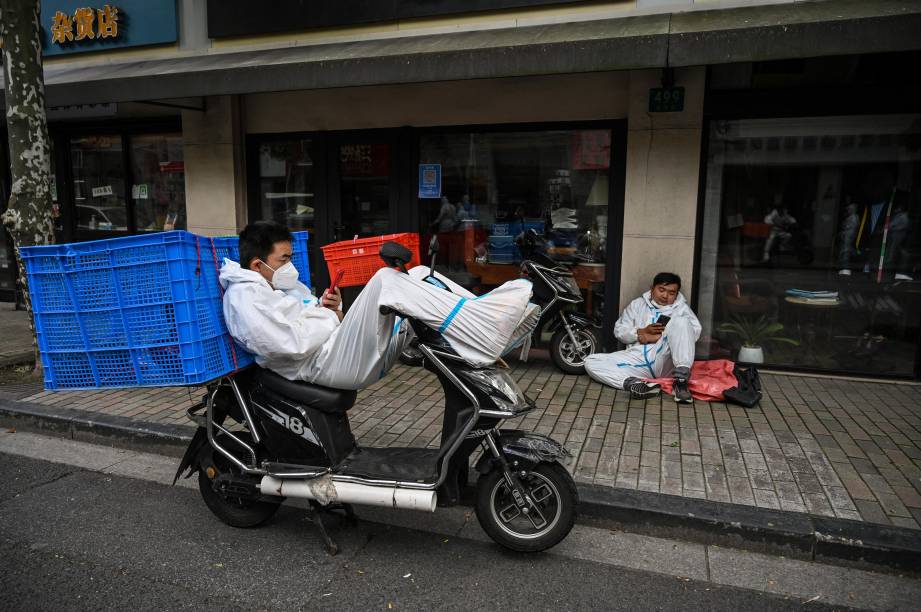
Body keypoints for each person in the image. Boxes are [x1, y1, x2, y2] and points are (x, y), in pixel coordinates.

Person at [220, 221, 536, 390]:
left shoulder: (279, 284)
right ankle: (488, 328)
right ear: (259, 264)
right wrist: (328, 317)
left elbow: (316, 320)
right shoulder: (246, 298)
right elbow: (288, 344)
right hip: (323, 366)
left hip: (335, 350)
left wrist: (333, 309)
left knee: (419, 272)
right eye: (284, 260)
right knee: (386, 279)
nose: (292, 266)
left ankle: (485, 319)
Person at [584, 272, 701, 403]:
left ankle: (681, 382)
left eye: (671, 293)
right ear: (652, 288)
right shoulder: (637, 304)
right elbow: (619, 331)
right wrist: (640, 333)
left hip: (665, 359)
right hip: (637, 357)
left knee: (682, 322)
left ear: (677, 294)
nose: (665, 295)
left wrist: (660, 337)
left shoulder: (682, 309)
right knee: (591, 361)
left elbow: (694, 332)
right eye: (661, 290)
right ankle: (637, 385)